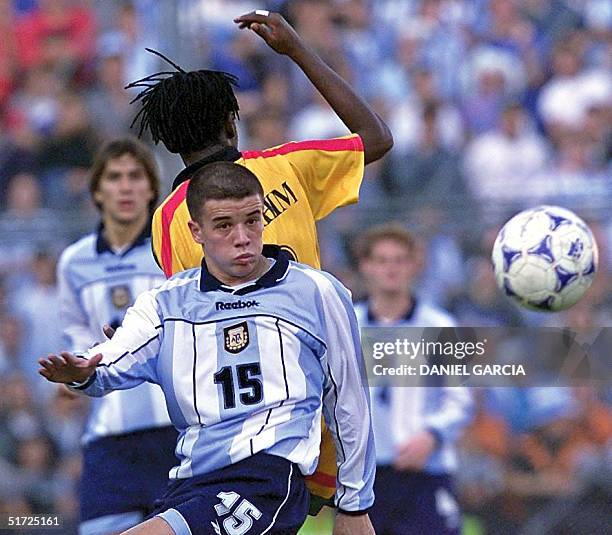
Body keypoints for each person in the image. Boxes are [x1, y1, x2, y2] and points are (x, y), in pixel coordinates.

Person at [127, 9, 393, 511]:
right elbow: (376, 137)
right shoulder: (286, 166)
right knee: (346, 512)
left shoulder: (168, 223)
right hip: (320, 394)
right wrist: (296, 51)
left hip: (242, 421)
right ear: (233, 121)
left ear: (167, 143)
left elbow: (192, 327)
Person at [40, 161, 376, 535]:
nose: (243, 236)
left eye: (253, 220)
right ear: (195, 231)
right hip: (189, 482)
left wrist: (354, 503)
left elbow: (349, 400)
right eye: (224, 225)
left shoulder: (316, 292)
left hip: (264, 479)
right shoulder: (164, 303)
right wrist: (87, 371)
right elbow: (118, 354)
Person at [56, 137, 175, 534]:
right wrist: (73, 369)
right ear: (97, 191)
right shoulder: (74, 261)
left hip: (176, 433)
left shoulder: (174, 250)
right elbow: (75, 329)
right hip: (109, 439)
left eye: (136, 176)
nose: (125, 187)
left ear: (152, 189)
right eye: (114, 177)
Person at [354, 223, 473, 535]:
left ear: (414, 266)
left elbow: (460, 400)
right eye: (382, 260)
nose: (391, 269)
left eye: (400, 260)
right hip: (365, 477)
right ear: (366, 266)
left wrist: (431, 436)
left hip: (427, 471)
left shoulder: (440, 326)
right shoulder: (346, 325)